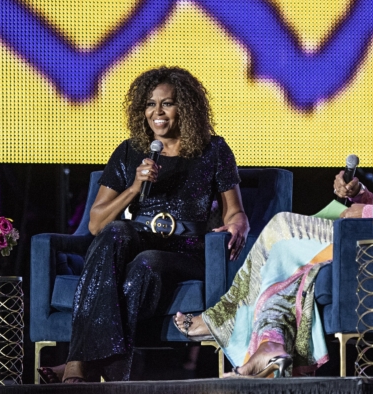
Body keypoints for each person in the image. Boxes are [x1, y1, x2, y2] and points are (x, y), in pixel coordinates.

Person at [173, 64, 373, 378]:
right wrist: (360, 196)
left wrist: (363, 212)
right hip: (368, 237)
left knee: (281, 225)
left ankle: (220, 321)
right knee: (283, 257)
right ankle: (271, 346)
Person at [38, 66, 249, 383]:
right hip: (140, 241)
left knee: (146, 263)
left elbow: (235, 211)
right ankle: (99, 370)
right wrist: (134, 188)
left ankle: (80, 365)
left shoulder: (213, 150)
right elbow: (96, 223)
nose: (157, 112)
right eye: (151, 104)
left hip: (187, 254)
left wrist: (239, 225)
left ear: (186, 108)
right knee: (116, 233)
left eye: (167, 103)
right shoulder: (129, 152)